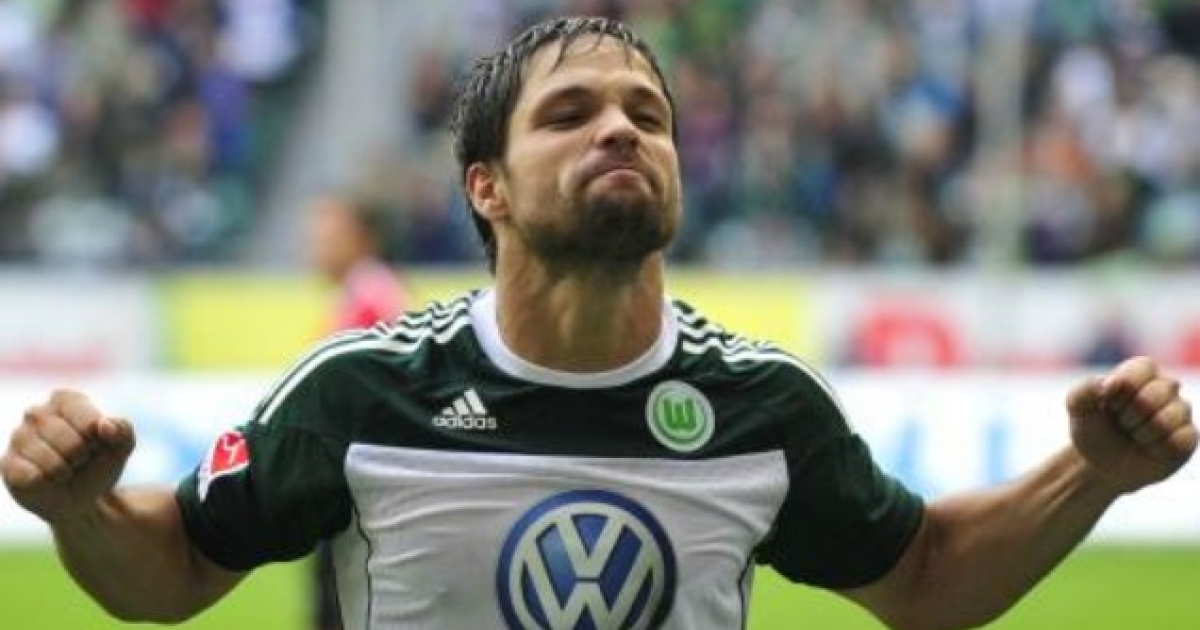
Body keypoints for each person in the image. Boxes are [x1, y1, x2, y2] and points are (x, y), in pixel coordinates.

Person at [1, 16, 1196, 630]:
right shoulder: (361, 391)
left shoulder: (765, 408)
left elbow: (926, 582)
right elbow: (170, 574)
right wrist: (80, 509)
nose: (621, 127)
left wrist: (1090, 475)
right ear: (486, 187)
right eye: (569, 113)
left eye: (648, 114)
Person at [305, 190, 408, 630]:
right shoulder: (363, 291)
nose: (318, 246)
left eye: (331, 235)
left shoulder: (370, 294)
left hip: (355, 486)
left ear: (364, 238)